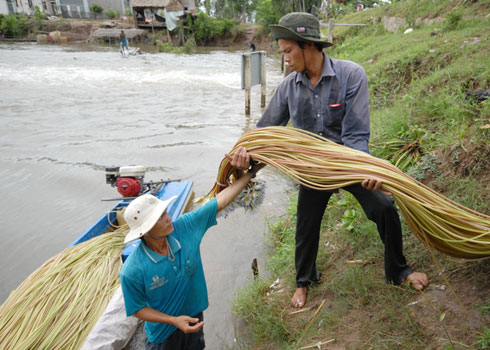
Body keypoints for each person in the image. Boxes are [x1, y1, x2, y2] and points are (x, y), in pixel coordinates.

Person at [243, 12, 428, 308]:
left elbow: (356, 136)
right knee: (305, 224)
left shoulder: (351, 75)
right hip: (314, 171)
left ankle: (398, 270)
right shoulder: (289, 86)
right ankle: (304, 280)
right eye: (283, 53)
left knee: (383, 207)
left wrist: (367, 170)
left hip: (349, 164)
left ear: (309, 46)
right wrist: (245, 152)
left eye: (289, 51)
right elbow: (266, 132)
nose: (286, 59)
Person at [119, 148, 262, 350]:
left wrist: (250, 173)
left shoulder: (185, 227)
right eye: (160, 218)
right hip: (162, 335)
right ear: (145, 231)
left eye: (166, 212)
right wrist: (173, 320)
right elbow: (137, 309)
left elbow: (221, 201)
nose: (169, 218)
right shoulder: (132, 270)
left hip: (195, 318)